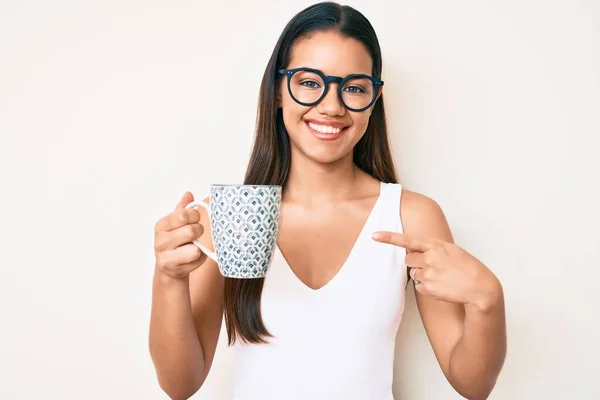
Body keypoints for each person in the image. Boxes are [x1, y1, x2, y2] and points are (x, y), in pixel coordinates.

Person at [148, 2, 507, 399]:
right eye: (309, 82)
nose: (332, 106)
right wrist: (168, 278)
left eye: (353, 87)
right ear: (279, 90)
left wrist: (487, 299)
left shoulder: (411, 217)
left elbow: (473, 385)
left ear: (374, 99)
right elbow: (180, 385)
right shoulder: (223, 217)